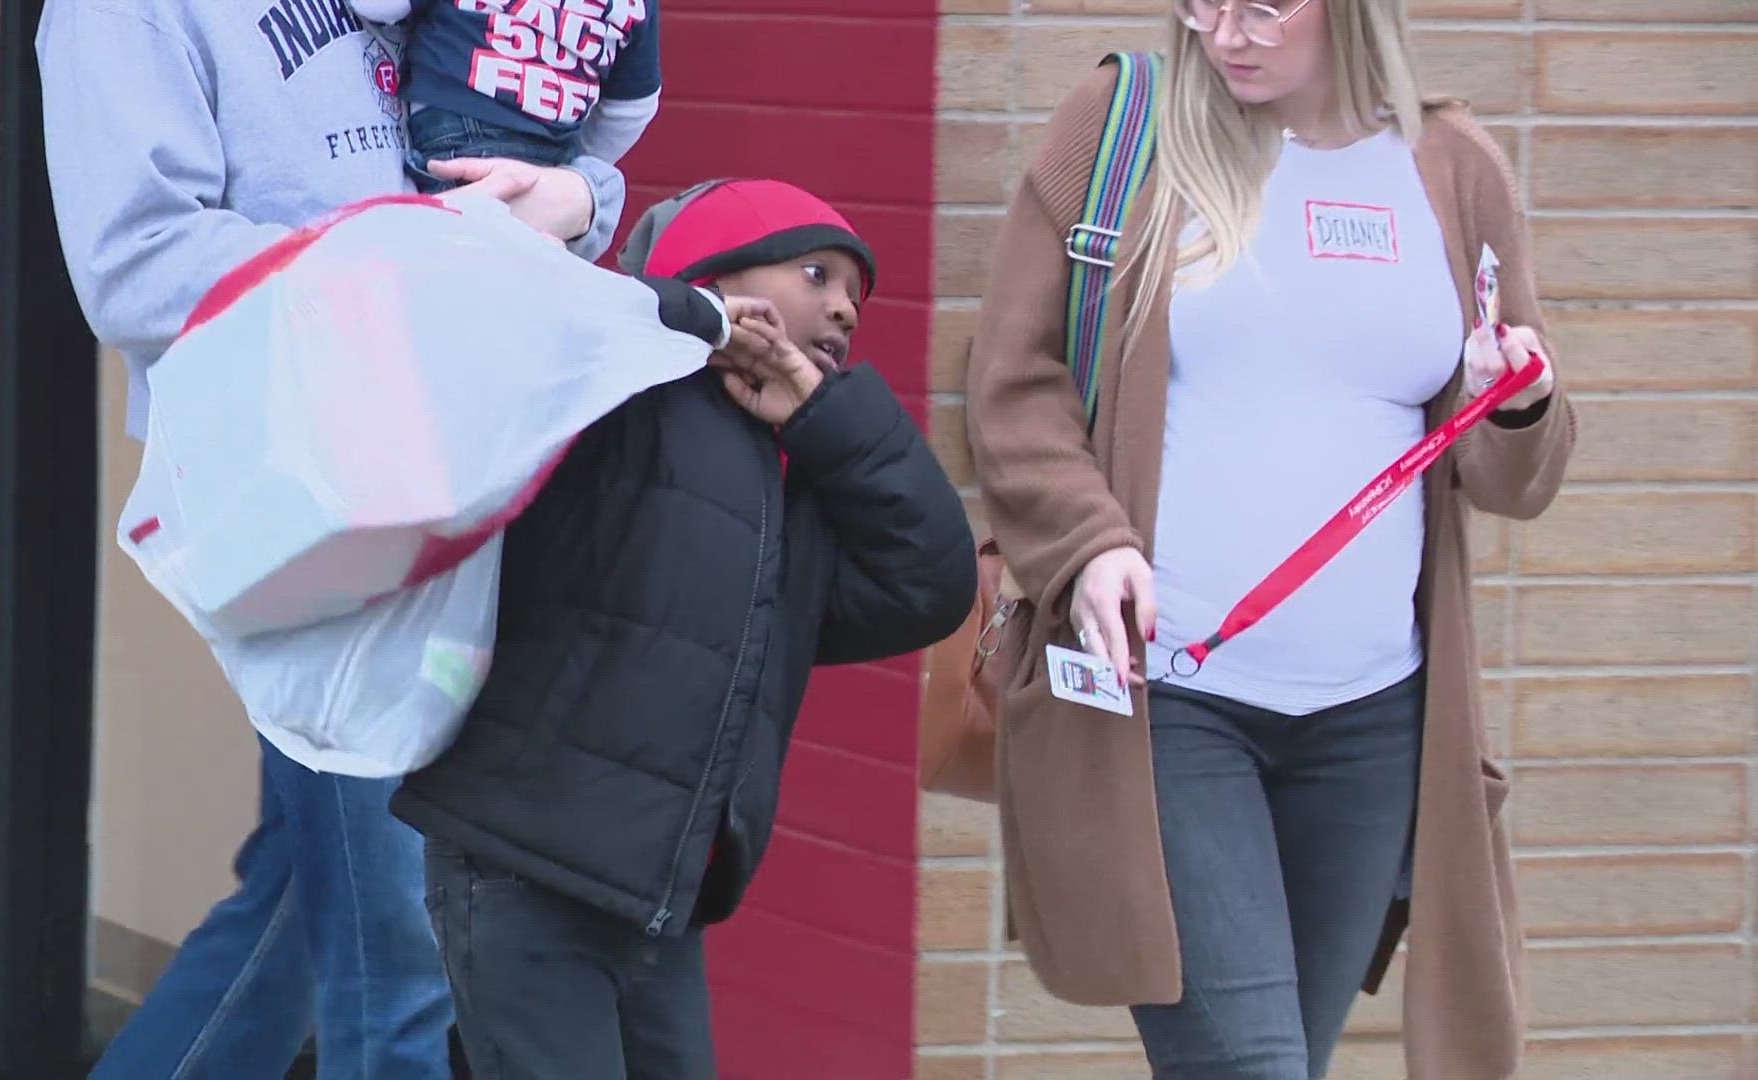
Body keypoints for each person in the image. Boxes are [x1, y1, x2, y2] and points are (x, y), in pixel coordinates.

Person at [965, 2, 1573, 1079]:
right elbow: (1013, 384)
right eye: (1201, 3)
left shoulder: (1452, 167)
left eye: (1261, 6)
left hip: (1373, 721)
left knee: (1290, 1055)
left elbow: (1513, 478)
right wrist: (1091, 538)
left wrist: (1511, 404)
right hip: (1171, 699)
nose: (1223, 33)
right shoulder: (1123, 131)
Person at [36, 1, 626, 1076]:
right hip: (300, 490)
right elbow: (133, 263)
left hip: (460, 468)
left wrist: (583, 196)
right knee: (402, 938)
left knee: (314, 898)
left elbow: (558, 148)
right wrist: (419, 262)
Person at [391, 179, 979, 1079]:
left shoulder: (798, 481)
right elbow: (495, 308)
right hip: (522, 868)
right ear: (715, 275)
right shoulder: (615, 399)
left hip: (659, 903)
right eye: (816, 272)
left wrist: (830, 420)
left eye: (854, 297)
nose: (841, 307)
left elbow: (932, 583)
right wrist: (680, 318)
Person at [348, 0, 662, 187]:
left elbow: (378, 6)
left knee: (444, 269)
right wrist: (578, 166)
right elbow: (632, 108)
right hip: (556, 151)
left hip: (458, 134)